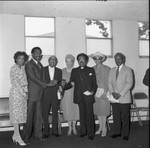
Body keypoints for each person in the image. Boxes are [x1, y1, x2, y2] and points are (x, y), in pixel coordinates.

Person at [24, 47, 49, 142]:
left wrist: (48, 84)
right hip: (32, 93)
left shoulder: (40, 64)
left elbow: (42, 78)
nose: (38, 54)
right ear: (32, 54)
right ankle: (26, 136)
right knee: (29, 115)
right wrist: (46, 85)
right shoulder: (29, 64)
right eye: (36, 53)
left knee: (39, 115)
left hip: (40, 93)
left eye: (40, 53)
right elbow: (33, 78)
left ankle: (38, 134)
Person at [69, 53, 97, 140]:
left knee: (89, 115)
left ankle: (91, 133)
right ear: (77, 61)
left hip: (88, 96)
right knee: (82, 115)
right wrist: (62, 86)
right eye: (79, 59)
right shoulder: (74, 70)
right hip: (79, 96)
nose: (81, 61)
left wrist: (92, 91)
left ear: (86, 60)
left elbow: (94, 84)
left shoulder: (91, 70)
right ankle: (83, 132)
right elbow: (71, 83)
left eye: (83, 59)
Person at [108, 52, 133, 141]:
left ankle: (125, 134)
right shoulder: (111, 70)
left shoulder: (128, 69)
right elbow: (109, 82)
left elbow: (129, 83)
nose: (117, 61)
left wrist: (120, 94)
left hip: (124, 97)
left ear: (123, 60)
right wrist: (112, 92)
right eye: (116, 59)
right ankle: (117, 132)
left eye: (119, 59)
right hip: (114, 97)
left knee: (125, 117)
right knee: (116, 116)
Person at [9, 51, 29, 146]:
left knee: (20, 116)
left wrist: (26, 92)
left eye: (23, 59)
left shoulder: (22, 68)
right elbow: (16, 84)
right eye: (19, 58)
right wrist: (25, 94)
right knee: (16, 116)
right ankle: (18, 137)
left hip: (22, 95)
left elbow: (25, 82)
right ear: (16, 59)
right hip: (16, 95)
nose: (21, 60)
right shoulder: (14, 69)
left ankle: (15, 135)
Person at [90, 52, 110, 137]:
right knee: (98, 110)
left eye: (99, 58)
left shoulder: (106, 68)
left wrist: (105, 92)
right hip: (95, 92)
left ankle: (104, 128)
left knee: (104, 111)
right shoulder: (92, 69)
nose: (97, 60)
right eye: (95, 58)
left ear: (102, 59)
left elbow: (108, 81)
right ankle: (100, 127)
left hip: (104, 92)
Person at [42, 55, 62, 138]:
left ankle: (55, 131)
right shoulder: (43, 69)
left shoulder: (59, 71)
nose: (53, 61)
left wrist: (61, 87)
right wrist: (47, 84)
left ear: (56, 62)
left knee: (55, 113)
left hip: (55, 94)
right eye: (51, 60)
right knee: (45, 114)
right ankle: (46, 132)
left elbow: (59, 82)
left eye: (55, 60)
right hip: (45, 94)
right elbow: (41, 81)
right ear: (48, 61)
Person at [61, 54, 79, 136]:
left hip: (75, 93)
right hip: (66, 95)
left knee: (75, 110)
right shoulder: (62, 71)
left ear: (73, 62)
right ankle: (69, 127)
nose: (69, 63)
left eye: (70, 61)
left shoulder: (76, 70)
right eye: (67, 61)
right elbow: (60, 83)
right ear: (65, 62)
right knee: (67, 110)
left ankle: (74, 127)